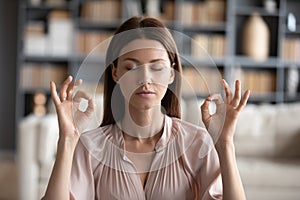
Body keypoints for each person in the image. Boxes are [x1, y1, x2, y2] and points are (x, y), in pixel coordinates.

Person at [43, 16, 250, 200]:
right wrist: (68, 140)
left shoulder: (196, 142)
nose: (145, 79)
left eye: (157, 67)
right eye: (131, 67)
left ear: (171, 73)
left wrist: (224, 144)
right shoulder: (91, 147)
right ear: (115, 73)